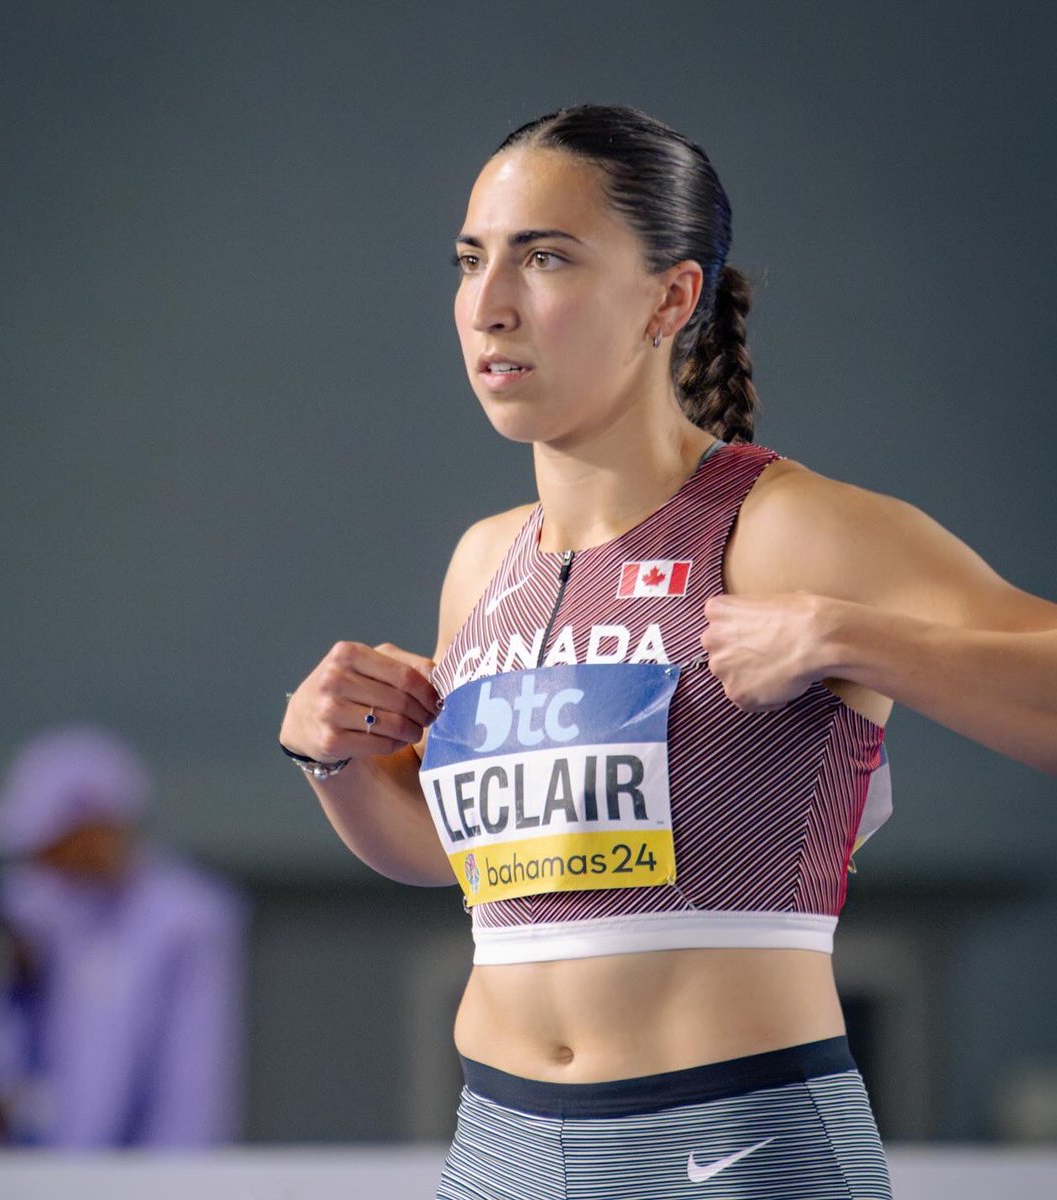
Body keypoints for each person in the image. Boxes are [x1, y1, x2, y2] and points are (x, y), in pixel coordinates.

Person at [278, 104, 1057, 1199]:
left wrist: (856, 636)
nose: (489, 306)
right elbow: (476, 869)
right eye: (470, 260)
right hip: (497, 1147)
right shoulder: (482, 562)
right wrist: (336, 761)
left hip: (730, 1144)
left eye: (545, 258)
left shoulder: (785, 530)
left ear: (671, 297)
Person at [0, 724, 247, 1148]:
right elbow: (2, 1045)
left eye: (53, 843)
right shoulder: (27, 905)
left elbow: (193, 1079)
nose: (41, 862)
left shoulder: (188, 918)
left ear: (98, 829)